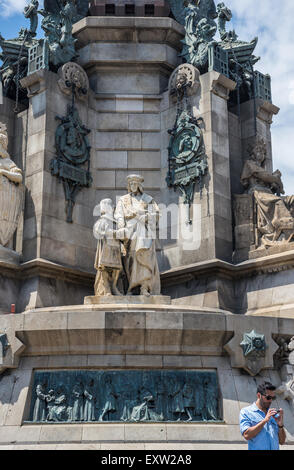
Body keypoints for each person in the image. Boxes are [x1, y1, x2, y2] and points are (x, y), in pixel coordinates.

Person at [114, 174, 161, 296]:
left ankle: (144, 287)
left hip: (143, 231)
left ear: (139, 185)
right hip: (128, 233)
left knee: (144, 255)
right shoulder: (123, 200)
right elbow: (118, 214)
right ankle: (131, 287)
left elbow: (156, 214)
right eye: (130, 184)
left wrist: (145, 217)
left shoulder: (148, 199)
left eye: (135, 184)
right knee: (130, 259)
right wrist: (121, 225)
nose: (132, 186)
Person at [239, 381, 286, 450]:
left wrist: (280, 425)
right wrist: (264, 421)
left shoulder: (274, 415)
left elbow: (282, 441)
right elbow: (246, 435)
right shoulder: (246, 412)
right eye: (268, 398)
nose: (270, 401)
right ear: (259, 395)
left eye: (273, 398)